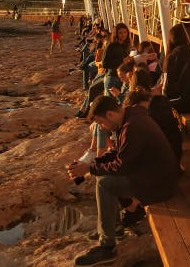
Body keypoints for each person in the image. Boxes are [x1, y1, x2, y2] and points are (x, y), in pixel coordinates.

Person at [68, 95, 179, 267]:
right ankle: (114, 228)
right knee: (104, 176)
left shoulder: (132, 126)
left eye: (101, 122)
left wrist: (89, 169)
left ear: (110, 115)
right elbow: (122, 154)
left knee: (105, 184)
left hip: (158, 184)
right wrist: (90, 164)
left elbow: (122, 166)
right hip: (153, 176)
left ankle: (107, 248)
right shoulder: (130, 118)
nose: (102, 127)